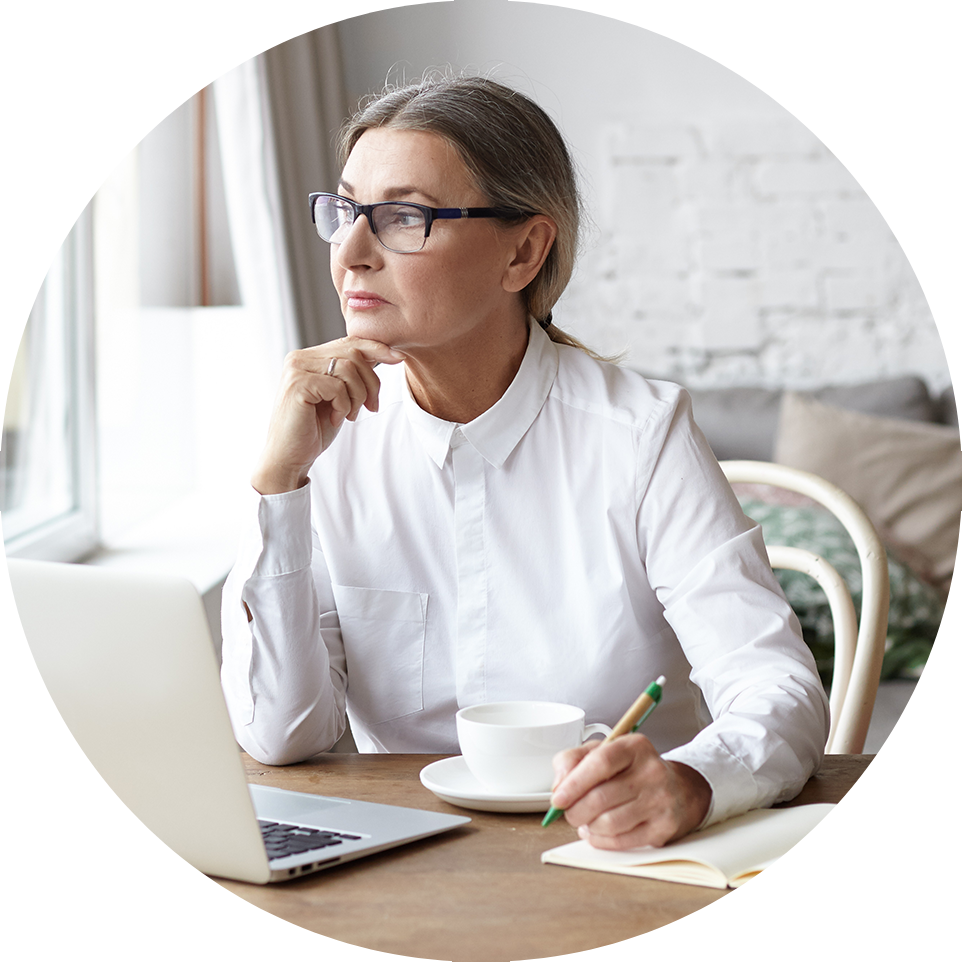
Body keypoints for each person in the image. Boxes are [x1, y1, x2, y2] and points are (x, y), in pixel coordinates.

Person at [220, 74, 829, 852]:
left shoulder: (640, 435)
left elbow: (776, 685)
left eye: (404, 216)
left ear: (524, 252)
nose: (351, 252)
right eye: (345, 211)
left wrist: (691, 782)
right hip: (401, 865)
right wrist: (278, 489)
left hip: (612, 859)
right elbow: (282, 737)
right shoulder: (327, 437)